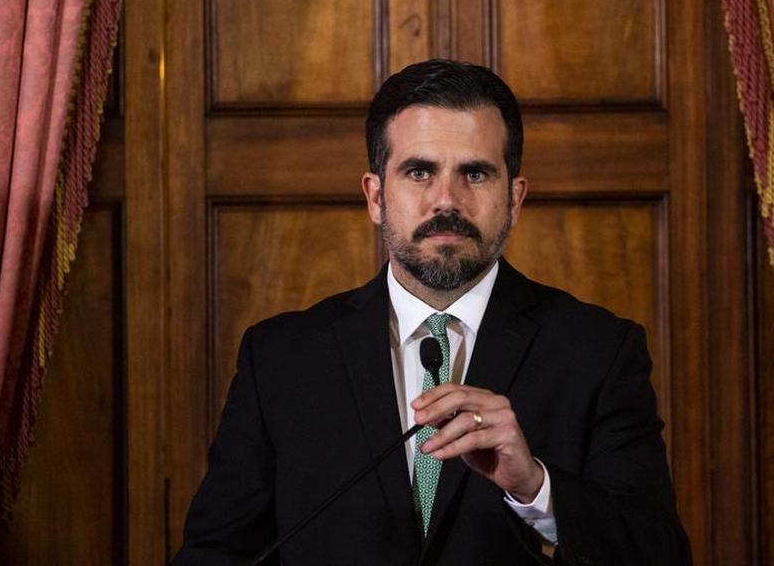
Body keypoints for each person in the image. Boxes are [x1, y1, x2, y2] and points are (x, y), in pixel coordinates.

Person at [174, 59, 691, 564]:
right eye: (419, 171)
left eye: (475, 173)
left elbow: (659, 552)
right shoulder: (281, 358)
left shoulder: (598, 351)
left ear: (514, 199)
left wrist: (536, 488)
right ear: (376, 196)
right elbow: (216, 552)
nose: (447, 200)